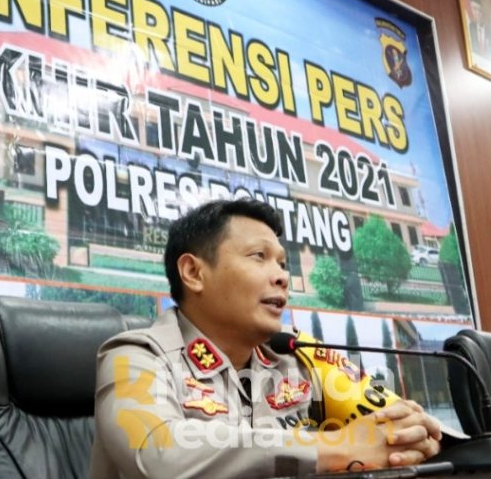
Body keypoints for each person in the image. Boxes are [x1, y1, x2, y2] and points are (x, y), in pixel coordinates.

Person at [89, 199, 442, 478]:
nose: (282, 277)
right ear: (194, 272)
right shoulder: (134, 356)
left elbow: (390, 426)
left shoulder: (295, 358)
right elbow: (158, 454)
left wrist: (413, 436)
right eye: (259, 256)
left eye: (283, 264)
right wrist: (335, 446)